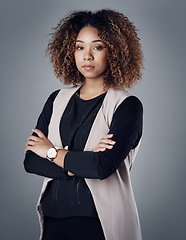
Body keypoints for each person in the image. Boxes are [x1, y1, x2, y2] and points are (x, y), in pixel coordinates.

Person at [24, 9, 144, 240]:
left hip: (99, 224)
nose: (87, 55)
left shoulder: (127, 105)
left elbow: (101, 167)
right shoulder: (56, 99)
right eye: (80, 47)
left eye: (97, 47)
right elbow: (31, 160)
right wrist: (82, 161)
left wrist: (50, 152)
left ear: (115, 52)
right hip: (52, 220)